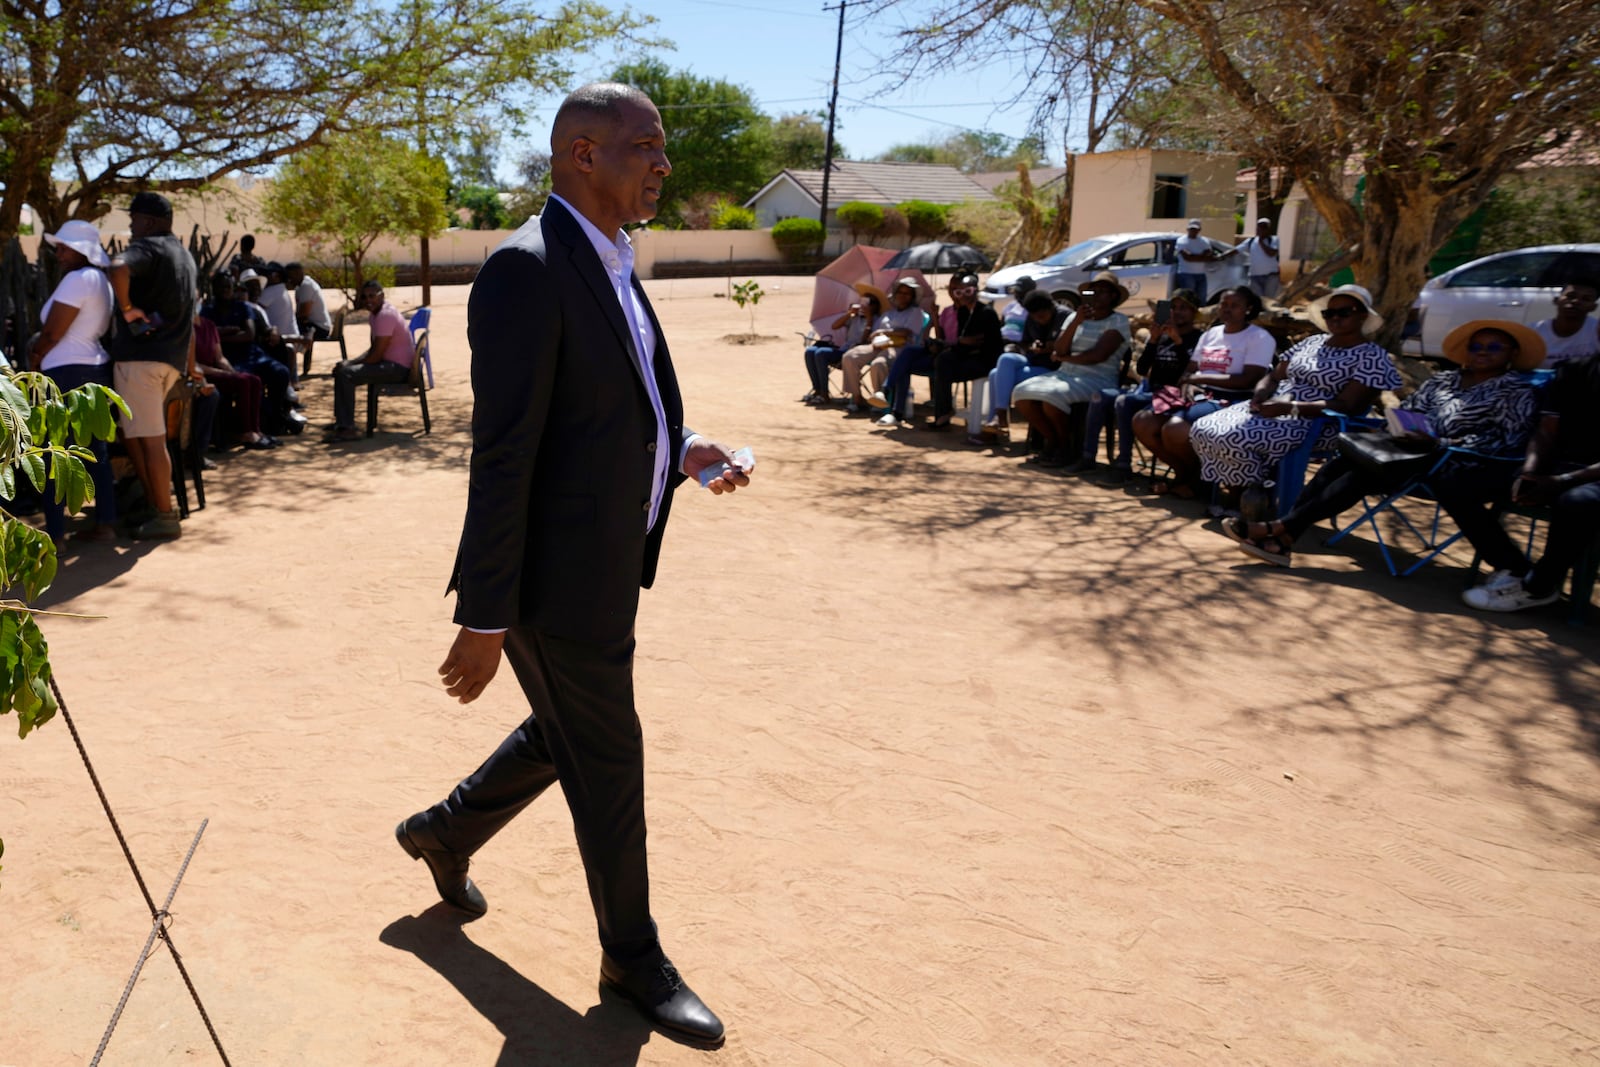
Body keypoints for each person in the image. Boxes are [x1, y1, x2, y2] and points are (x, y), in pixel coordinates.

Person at [395, 82, 748, 1047]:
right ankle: (632, 960)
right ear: (582, 155)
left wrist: (684, 446)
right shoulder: (527, 267)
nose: (663, 166)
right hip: (552, 581)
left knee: (569, 732)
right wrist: (485, 612)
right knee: (611, 757)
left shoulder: (612, 255)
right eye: (647, 148)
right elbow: (505, 452)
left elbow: (609, 401)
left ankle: (444, 830)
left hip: (605, 564)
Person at [1233, 320, 1541, 567]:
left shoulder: (1515, 391)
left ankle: (1278, 531)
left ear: (1511, 353)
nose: (1482, 351)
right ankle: (1283, 537)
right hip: (1408, 448)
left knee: (1365, 473)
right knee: (1344, 460)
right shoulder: (1445, 379)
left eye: (1494, 347)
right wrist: (1402, 425)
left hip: (1457, 461)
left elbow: (1507, 440)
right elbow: (1413, 408)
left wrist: (1441, 441)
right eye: (1476, 346)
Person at [1189, 283, 1402, 503]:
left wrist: (1291, 408)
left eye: (1344, 312)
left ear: (1363, 317)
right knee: (1203, 428)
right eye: (1330, 313)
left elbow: (1349, 406)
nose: (1335, 318)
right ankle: (1248, 495)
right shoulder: (1311, 342)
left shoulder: (1373, 356)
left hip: (1320, 421)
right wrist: (1260, 395)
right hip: (1278, 405)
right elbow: (1273, 377)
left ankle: (1255, 497)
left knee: (1232, 437)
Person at [1462, 341, 1600, 612]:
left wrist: (1563, 481)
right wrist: (1530, 471)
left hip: (1589, 478)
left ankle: (1539, 587)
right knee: (1459, 481)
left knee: (1577, 502)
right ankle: (1512, 566)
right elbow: (1546, 430)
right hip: (1560, 466)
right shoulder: (1573, 370)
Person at [107, 190, 199, 541]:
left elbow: (117, 267)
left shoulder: (149, 247)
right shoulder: (184, 255)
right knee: (143, 439)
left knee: (152, 441)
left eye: (133, 219)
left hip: (142, 362)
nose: (131, 226)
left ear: (148, 221)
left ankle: (164, 515)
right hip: (169, 359)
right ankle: (154, 504)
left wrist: (128, 307)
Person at [1133, 285, 1275, 496]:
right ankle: (1188, 474)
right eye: (1223, 304)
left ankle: (1199, 481)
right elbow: (1189, 370)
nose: (1227, 309)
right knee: (1143, 422)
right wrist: (1189, 383)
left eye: (1235, 305)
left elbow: (1248, 380)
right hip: (1198, 394)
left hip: (1233, 398)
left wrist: (1200, 378)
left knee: (1174, 429)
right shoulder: (1211, 334)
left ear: (1248, 308)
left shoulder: (1259, 338)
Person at [27, 220, 117, 544]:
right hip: (94, 369)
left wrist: (35, 358)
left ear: (81, 249)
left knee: (56, 452)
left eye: (64, 246)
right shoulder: (100, 280)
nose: (58, 252)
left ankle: (56, 534)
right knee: (96, 450)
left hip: (65, 374)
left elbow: (52, 333)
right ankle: (106, 522)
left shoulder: (78, 279)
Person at [1010, 272, 1131, 466]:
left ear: (1113, 296)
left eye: (1103, 291)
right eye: (1094, 291)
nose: (1098, 295)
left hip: (1099, 378)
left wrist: (1065, 358)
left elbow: (1097, 356)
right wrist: (1077, 322)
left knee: (1053, 398)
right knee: (1021, 394)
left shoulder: (1118, 321)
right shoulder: (1075, 317)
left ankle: (1066, 448)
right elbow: (1059, 348)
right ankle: (1054, 441)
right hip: (1066, 375)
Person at [1095, 288, 1204, 482]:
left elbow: (1188, 372)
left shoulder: (1198, 338)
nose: (1177, 312)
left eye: (1184, 308)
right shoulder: (1161, 336)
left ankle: (1123, 464)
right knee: (1104, 398)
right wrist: (1153, 341)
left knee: (1124, 402)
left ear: (1194, 313)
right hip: (1152, 392)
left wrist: (1178, 342)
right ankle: (1098, 459)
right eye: (1174, 307)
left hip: (1176, 395)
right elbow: (1143, 369)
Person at [975, 289, 1072, 439]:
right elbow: (1025, 342)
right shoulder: (1031, 316)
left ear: (1050, 308)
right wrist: (1033, 346)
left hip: (1052, 367)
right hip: (1033, 360)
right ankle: (1000, 417)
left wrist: (1048, 347)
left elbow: (1066, 346)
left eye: (1042, 316)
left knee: (996, 375)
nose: (1038, 320)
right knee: (1005, 360)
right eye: (1034, 317)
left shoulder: (1064, 316)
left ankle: (996, 423)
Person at [326, 280, 413, 441]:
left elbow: (376, 355)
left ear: (382, 296)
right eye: (364, 297)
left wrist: (351, 365)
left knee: (346, 374)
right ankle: (342, 422)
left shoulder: (385, 315)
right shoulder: (376, 315)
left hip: (398, 369)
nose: (368, 300)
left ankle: (347, 429)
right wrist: (350, 362)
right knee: (343, 369)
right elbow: (374, 349)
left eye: (372, 296)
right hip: (388, 364)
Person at [924, 269, 1002, 430]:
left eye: (968, 291)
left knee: (944, 363)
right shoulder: (963, 313)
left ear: (976, 290)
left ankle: (943, 415)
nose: (964, 295)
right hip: (966, 356)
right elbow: (963, 341)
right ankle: (943, 413)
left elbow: (981, 342)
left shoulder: (987, 313)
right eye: (959, 292)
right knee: (942, 361)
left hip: (986, 360)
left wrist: (963, 343)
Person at [842, 280, 928, 412]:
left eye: (907, 294)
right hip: (878, 345)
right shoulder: (889, 313)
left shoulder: (916, 312)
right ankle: (857, 397)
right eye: (900, 292)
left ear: (912, 297)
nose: (903, 296)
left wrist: (884, 332)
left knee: (879, 363)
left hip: (898, 347)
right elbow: (874, 331)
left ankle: (880, 398)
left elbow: (907, 332)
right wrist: (875, 337)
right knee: (850, 356)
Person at [1530, 281, 1600, 368]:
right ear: (1556, 300)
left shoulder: (1597, 331)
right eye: (1571, 296)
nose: (1576, 301)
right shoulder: (1533, 332)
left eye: (1586, 299)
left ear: (1593, 307)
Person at [285, 261, 333, 344]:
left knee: (288, 331)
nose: (288, 280)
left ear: (297, 273)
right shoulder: (300, 286)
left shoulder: (306, 286)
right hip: (316, 325)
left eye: (290, 276)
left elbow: (304, 314)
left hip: (319, 328)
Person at [1237, 217, 1280, 299]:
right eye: (1259, 226)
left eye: (1264, 227)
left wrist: (1261, 242)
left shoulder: (1273, 240)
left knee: (1269, 299)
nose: (1261, 229)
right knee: (1258, 299)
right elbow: (1236, 250)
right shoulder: (1251, 241)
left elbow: (1271, 253)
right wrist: (1221, 256)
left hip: (1270, 277)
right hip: (1254, 276)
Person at [1174, 219, 1213, 304]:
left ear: (1199, 230)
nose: (1193, 231)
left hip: (1201, 274)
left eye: (1195, 229)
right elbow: (1187, 258)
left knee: (1201, 299)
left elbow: (1209, 256)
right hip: (1186, 274)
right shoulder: (1182, 240)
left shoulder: (1204, 241)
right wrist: (1202, 256)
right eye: (1191, 229)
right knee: (1188, 299)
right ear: (1187, 229)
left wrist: (1193, 256)